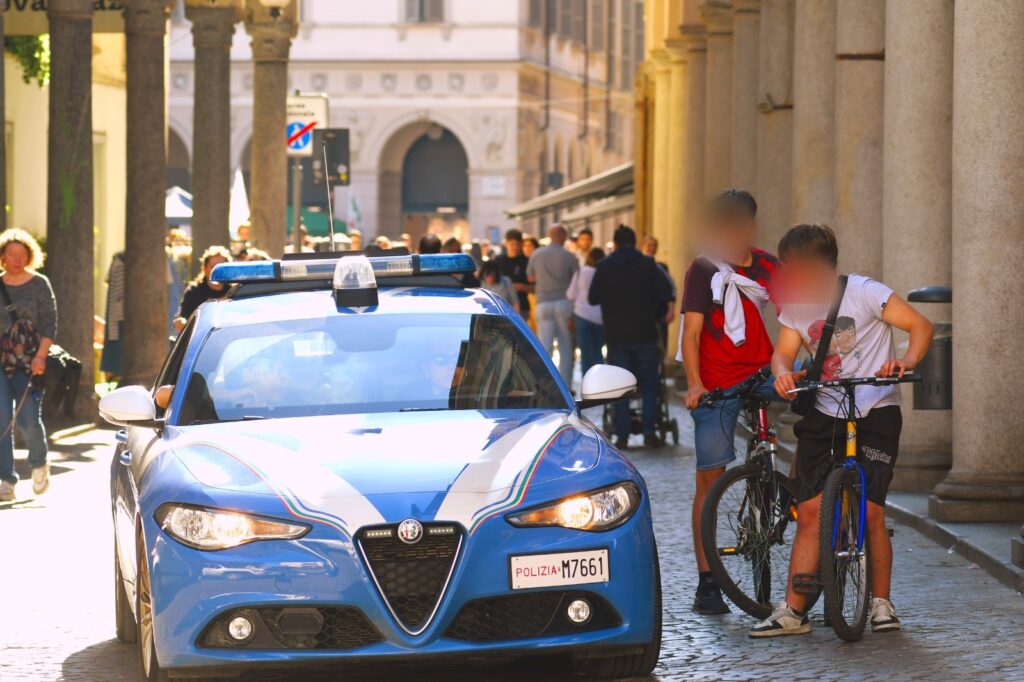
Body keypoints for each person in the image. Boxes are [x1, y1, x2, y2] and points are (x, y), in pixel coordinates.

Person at [750, 224, 933, 638]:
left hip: (873, 410)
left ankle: (881, 604)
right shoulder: (796, 304)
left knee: (870, 511)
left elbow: (921, 327)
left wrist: (906, 363)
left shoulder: (865, 292)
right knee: (810, 511)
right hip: (824, 410)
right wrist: (782, 375)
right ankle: (793, 611)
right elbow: (783, 353)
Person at [678, 189, 779, 614]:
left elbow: (803, 315)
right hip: (717, 385)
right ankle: (707, 582)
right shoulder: (702, 271)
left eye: (739, 226)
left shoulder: (767, 265)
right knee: (710, 478)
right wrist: (694, 382)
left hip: (764, 374)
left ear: (750, 228)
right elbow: (692, 333)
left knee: (824, 411)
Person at [589, 225, 671, 449]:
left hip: (616, 335)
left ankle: (622, 434)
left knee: (620, 386)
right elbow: (665, 292)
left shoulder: (604, 267)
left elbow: (592, 298)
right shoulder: (647, 264)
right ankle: (648, 432)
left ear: (614, 244)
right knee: (650, 384)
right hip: (645, 333)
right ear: (634, 243)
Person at [0, 229, 57, 501]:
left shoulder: (39, 283)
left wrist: (41, 356)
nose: (16, 259)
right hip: (1, 361)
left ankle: (38, 462)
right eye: (11, 254)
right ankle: (7, 480)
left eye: (21, 254)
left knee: (28, 419)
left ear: (29, 255)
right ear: (3, 256)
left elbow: (49, 321)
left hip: (29, 360)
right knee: (1, 419)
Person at [528, 225, 579, 388]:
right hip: (564, 303)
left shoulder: (536, 254)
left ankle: (546, 386)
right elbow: (576, 281)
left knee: (545, 347)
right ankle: (565, 387)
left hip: (543, 303)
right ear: (563, 236)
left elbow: (530, 277)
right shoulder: (570, 256)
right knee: (565, 347)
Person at [567, 247, 604, 377]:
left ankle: (587, 383)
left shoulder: (581, 271)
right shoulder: (604, 272)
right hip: (600, 316)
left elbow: (571, 294)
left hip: (582, 314)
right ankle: (599, 383)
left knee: (585, 352)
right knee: (598, 352)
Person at [174, 246, 231, 331]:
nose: (217, 271)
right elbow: (183, 319)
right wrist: (181, 322)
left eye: (221, 267)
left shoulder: (235, 291)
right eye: (213, 267)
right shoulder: (193, 291)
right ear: (204, 269)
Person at [642, 235, 678, 352]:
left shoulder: (661, 267)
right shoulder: (638, 266)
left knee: (661, 346)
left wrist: (671, 309)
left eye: (654, 246)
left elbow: (671, 288)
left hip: (660, 313)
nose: (651, 248)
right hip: (643, 315)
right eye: (649, 245)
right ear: (643, 246)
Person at [493, 229, 532, 319]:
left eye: (518, 244)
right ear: (506, 243)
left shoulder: (526, 262)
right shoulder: (498, 261)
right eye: (512, 244)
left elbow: (534, 287)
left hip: (522, 306)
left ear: (521, 244)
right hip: (501, 307)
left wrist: (522, 287)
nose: (515, 247)